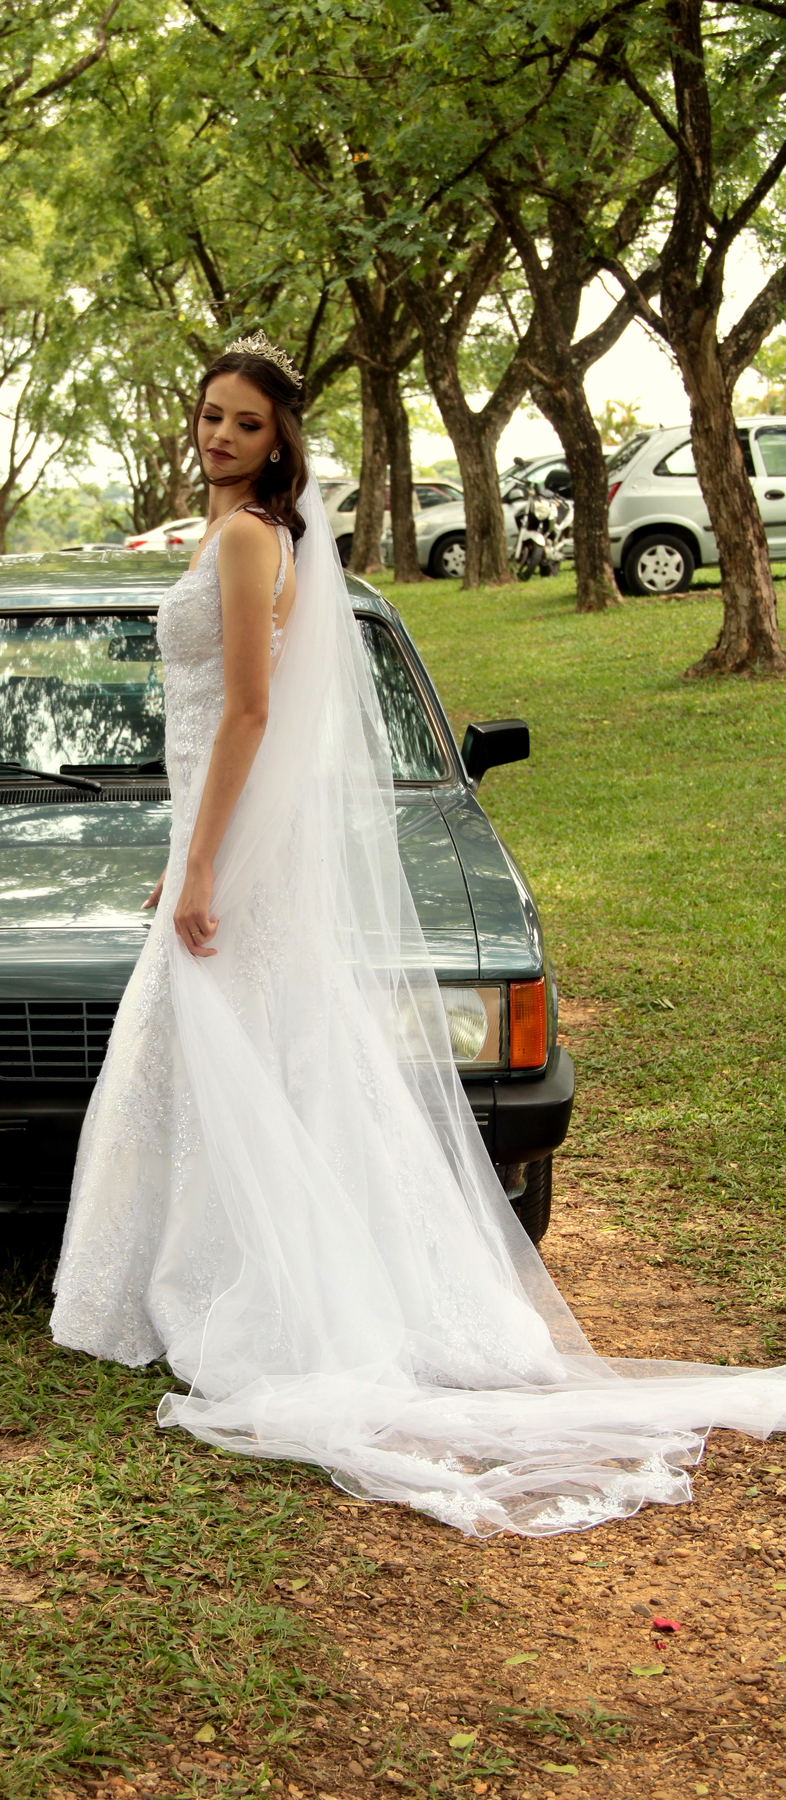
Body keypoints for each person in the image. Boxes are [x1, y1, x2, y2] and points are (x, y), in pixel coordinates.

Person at [50, 331, 786, 1538]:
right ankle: (275, 1268)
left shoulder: (244, 537)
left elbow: (244, 708)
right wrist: (189, 855)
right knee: (269, 1059)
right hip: (241, 848)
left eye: (243, 422)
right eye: (208, 416)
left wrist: (196, 867)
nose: (219, 436)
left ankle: (259, 1294)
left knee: (239, 1055)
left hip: (232, 856)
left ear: (280, 438)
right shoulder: (277, 538)